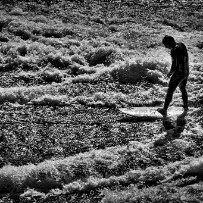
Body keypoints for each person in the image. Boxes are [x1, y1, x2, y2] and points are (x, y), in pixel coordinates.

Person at [157, 35, 189, 116]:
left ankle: (164, 109)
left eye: (165, 45)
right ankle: (186, 107)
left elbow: (175, 64)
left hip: (179, 73)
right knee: (182, 88)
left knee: (170, 90)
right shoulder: (182, 45)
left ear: (168, 43)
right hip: (186, 71)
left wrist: (170, 73)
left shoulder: (174, 50)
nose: (165, 47)